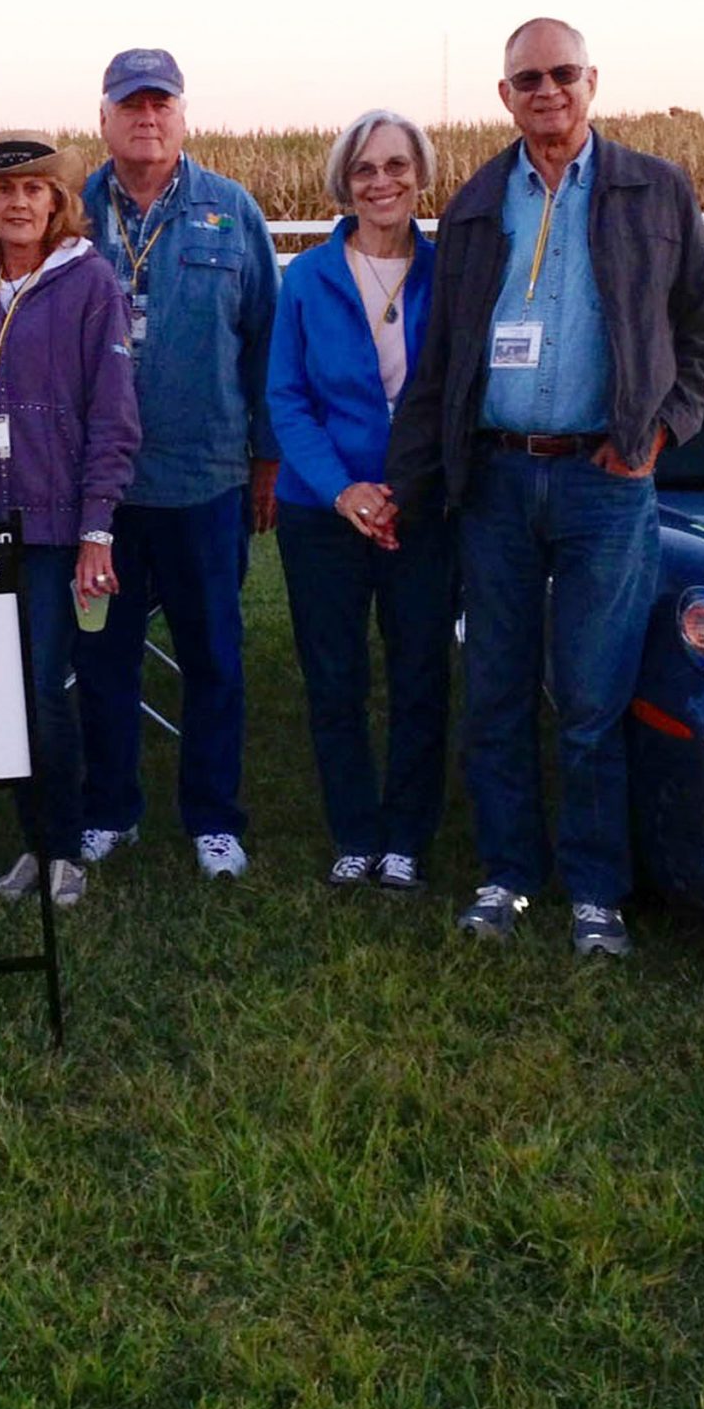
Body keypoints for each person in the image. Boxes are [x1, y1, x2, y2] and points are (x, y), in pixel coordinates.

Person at [385, 19, 704, 957]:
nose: (547, 91)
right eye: (528, 78)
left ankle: (594, 890)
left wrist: (658, 432)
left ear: (591, 82)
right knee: (494, 691)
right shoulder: (474, 204)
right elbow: (443, 362)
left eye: (563, 74)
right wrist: (404, 483)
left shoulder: (653, 191)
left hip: (604, 480)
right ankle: (505, 876)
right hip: (496, 478)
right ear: (505, 95)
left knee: (590, 696)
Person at [74, 48, 279, 879]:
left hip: (207, 480)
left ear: (184, 115)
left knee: (213, 659)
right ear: (105, 119)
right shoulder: (70, 211)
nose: (146, 118)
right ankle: (110, 809)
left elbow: (265, 342)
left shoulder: (231, 210)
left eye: (161, 104)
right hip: (101, 494)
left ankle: (213, 817)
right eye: (131, 105)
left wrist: (265, 461)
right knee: (103, 658)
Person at [0, 137, 140, 910]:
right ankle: (30, 843)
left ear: (57, 201)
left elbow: (114, 415)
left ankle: (64, 848)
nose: (17, 203)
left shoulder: (90, 287)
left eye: (33, 189)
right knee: (1, 692)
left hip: (52, 530)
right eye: (2, 189)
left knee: (45, 690)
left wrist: (97, 528)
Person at [266, 110, 455, 894]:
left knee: (420, 673)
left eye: (397, 165)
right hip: (323, 512)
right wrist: (344, 490)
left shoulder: (452, 272)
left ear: (420, 172)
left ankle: (406, 834)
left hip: (421, 509)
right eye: (366, 168)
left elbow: (456, 393)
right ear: (345, 180)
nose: (383, 181)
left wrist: (405, 491)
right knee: (334, 675)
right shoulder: (308, 277)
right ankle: (354, 829)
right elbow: (286, 396)